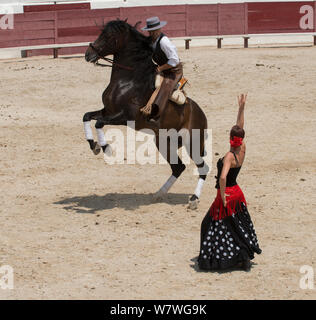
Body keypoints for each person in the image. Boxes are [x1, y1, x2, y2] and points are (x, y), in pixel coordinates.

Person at [198, 93, 262, 272]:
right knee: (235, 226)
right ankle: (242, 256)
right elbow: (240, 127)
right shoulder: (241, 148)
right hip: (238, 193)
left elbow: (223, 177)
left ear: (230, 138)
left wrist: (223, 197)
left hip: (227, 194)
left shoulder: (229, 157)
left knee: (209, 225)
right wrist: (241, 107)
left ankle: (219, 259)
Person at [140, 16, 183, 120]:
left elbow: (174, 60)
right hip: (163, 69)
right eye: (150, 31)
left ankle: (156, 115)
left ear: (159, 29)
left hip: (173, 72)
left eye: (154, 31)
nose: (152, 33)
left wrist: (160, 69)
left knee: (163, 91)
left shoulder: (164, 42)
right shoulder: (151, 40)